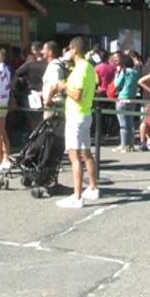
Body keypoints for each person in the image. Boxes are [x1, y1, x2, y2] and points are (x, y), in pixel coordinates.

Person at [55, 37, 99, 209]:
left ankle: (77, 196)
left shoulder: (80, 69)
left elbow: (77, 94)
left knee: (74, 157)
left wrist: (63, 87)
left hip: (76, 115)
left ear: (73, 49)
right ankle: (93, 187)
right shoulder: (88, 67)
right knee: (86, 153)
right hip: (85, 113)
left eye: (68, 49)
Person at [114, 54, 139, 152]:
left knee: (123, 124)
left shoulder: (124, 72)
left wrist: (116, 75)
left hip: (122, 98)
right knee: (130, 122)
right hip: (132, 98)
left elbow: (117, 84)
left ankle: (124, 145)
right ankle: (131, 145)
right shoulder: (135, 72)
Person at [41, 41, 66, 120]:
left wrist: (48, 99)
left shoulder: (54, 67)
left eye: (44, 49)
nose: (42, 52)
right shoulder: (52, 65)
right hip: (52, 103)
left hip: (53, 105)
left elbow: (55, 85)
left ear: (50, 52)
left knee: (51, 130)